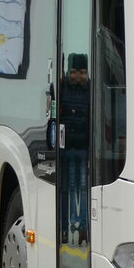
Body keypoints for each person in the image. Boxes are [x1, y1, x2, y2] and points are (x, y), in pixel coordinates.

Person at [58, 52, 90, 244]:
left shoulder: (64, 87)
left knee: (77, 189)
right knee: (74, 189)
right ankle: (73, 228)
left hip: (78, 148)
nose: (78, 76)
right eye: (75, 72)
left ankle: (76, 228)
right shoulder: (88, 89)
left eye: (82, 72)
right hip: (70, 149)